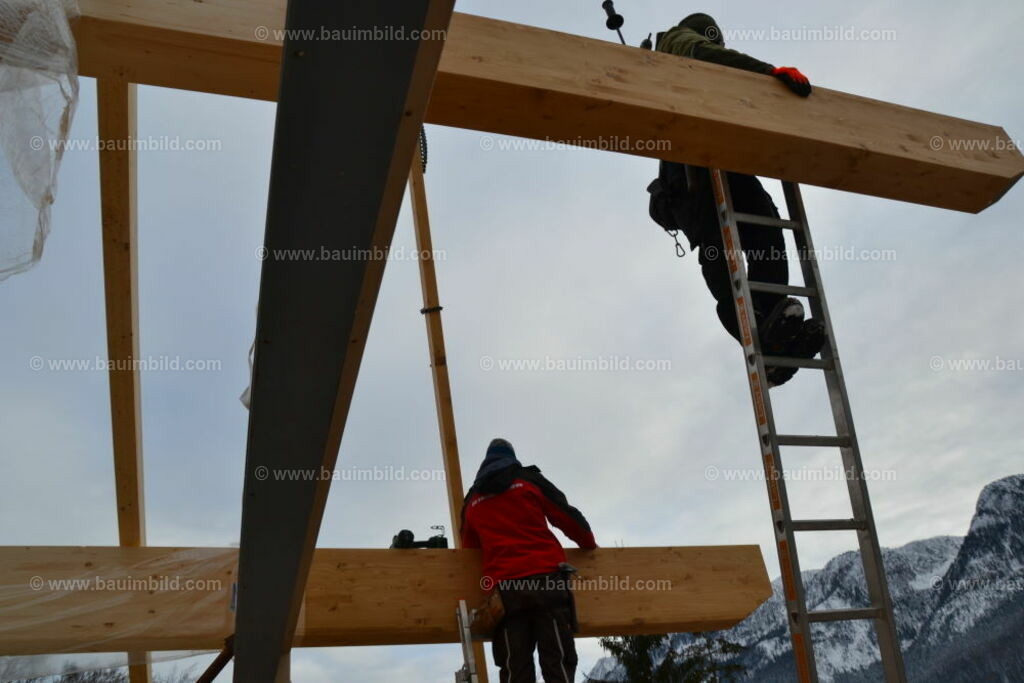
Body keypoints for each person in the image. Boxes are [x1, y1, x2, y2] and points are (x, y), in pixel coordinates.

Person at [647, 12, 826, 387]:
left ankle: (775, 330)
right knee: (721, 257)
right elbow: (705, 54)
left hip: (722, 160)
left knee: (767, 230)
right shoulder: (679, 39)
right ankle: (760, 334)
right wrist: (768, 73)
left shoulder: (697, 66)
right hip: (693, 174)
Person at [461, 438, 597, 683]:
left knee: (515, 669)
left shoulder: (472, 501)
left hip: (505, 594)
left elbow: (468, 552)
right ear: (511, 457)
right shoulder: (528, 481)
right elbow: (566, 516)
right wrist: (588, 543)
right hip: (547, 583)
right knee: (557, 664)